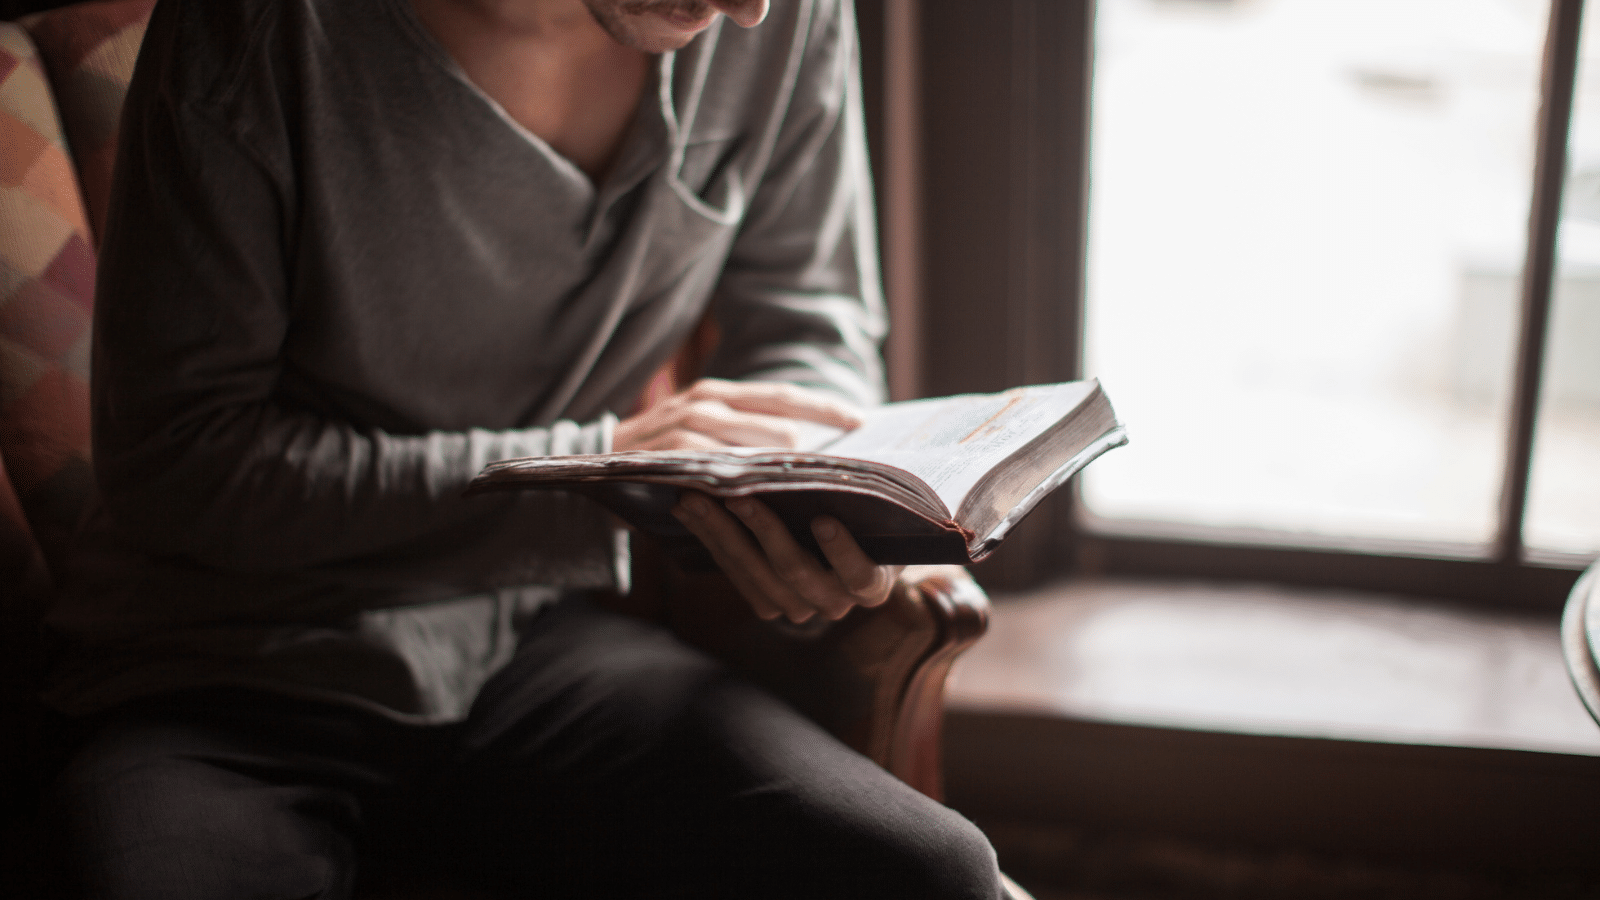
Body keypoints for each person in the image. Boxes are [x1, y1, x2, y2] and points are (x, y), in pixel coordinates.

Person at [43, 0, 1007, 897]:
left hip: (529, 643)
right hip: (222, 669)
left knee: (931, 871)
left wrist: (812, 489)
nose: (751, 11)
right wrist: (596, 469)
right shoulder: (260, 30)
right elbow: (178, 465)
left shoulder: (777, 14)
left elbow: (812, 322)